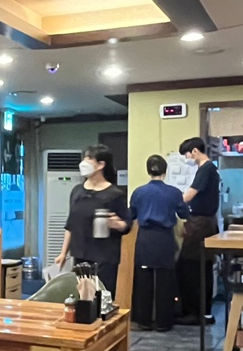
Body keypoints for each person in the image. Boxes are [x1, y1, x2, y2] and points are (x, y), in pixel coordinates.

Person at [53, 144, 129, 295]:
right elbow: (70, 224)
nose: (84, 162)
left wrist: (117, 224)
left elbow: (126, 224)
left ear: (101, 164)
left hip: (105, 257)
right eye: (84, 158)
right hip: (80, 254)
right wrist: (63, 253)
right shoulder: (77, 191)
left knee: (102, 297)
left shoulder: (114, 194)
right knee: (82, 297)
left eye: (89, 158)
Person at [128, 155, 187, 331]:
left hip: (145, 238)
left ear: (148, 171)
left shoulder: (138, 192)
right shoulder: (174, 192)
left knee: (143, 280)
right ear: (165, 171)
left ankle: (143, 320)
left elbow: (131, 215)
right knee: (165, 281)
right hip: (164, 238)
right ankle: (163, 322)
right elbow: (184, 214)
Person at [176, 137, 221, 324]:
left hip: (200, 225)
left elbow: (188, 196)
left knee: (192, 267)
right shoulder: (208, 169)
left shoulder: (206, 169)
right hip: (203, 223)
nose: (186, 158)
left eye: (186, 154)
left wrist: (171, 198)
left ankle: (196, 313)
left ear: (194, 151)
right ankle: (201, 311)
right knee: (200, 267)